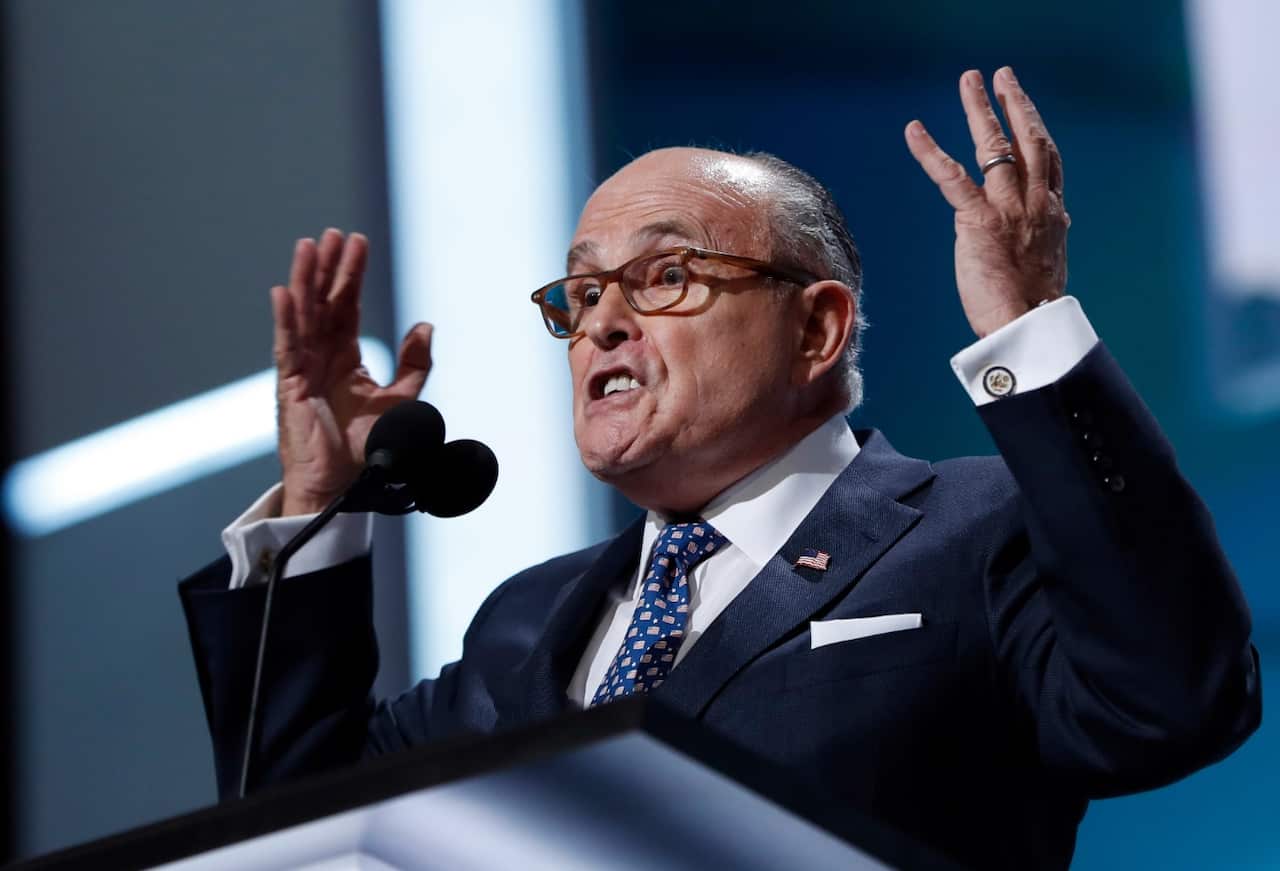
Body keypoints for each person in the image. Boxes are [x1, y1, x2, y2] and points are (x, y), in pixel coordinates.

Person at [180, 68, 1261, 870]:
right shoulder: (525, 619)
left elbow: (1170, 702)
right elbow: (301, 828)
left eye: (662, 275)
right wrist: (317, 502)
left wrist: (1027, 332)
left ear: (816, 329)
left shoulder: (976, 527)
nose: (600, 322)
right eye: (579, 295)